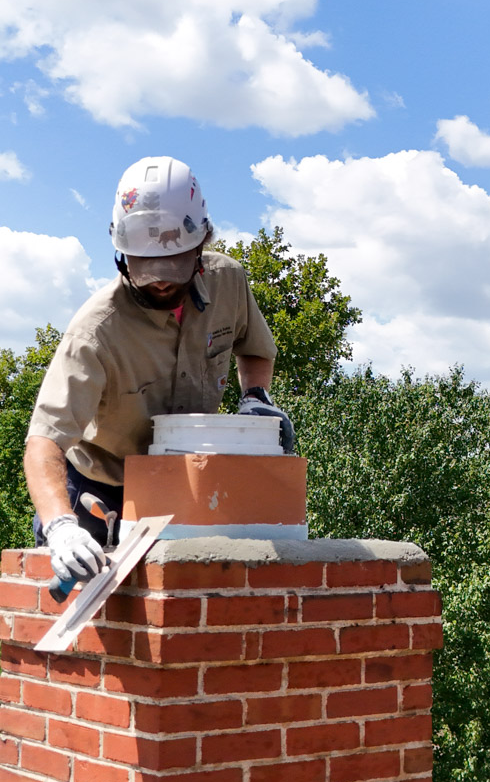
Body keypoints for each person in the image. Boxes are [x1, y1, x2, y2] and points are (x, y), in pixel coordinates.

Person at [24, 155, 294, 596]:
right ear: (120, 250)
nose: (161, 284)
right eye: (145, 269)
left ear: (201, 243)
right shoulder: (95, 332)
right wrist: (60, 527)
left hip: (186, 481)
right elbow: (44, 442)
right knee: (91, 619)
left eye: (173, 267)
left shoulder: (229, 281)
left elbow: (254, 347)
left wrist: (257, 396)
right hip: (100, 491)